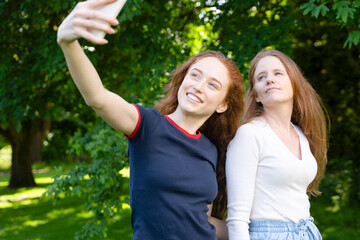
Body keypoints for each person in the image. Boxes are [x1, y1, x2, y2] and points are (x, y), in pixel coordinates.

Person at [57, 0, 244, 239]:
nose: (198, 86)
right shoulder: (148, 126)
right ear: (183, 79)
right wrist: (68, 43)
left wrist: (258, 229)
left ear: (223, 105)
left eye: (212, 85)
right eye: (195, 75)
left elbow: (201, 220)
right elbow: (98, 98)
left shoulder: (211, 149)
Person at [226, 49, 328, 240]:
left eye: (278, 73)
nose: (269, 80)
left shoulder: (301, 135)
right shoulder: (250, 135)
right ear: (256, 95)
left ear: (294, 83)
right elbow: (237, 219)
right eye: (261, 77)